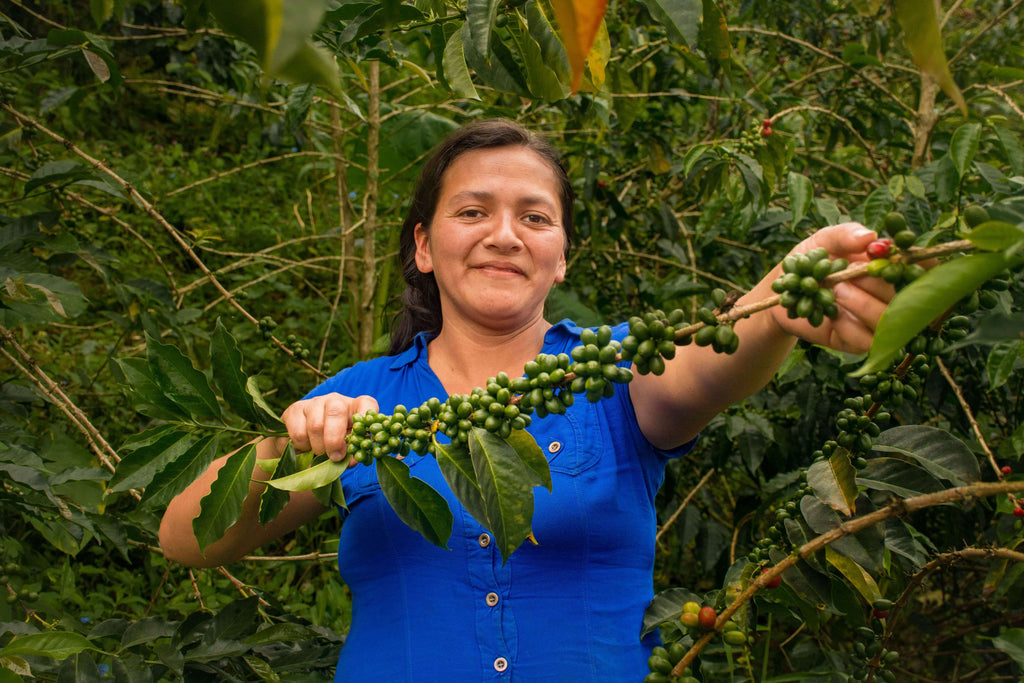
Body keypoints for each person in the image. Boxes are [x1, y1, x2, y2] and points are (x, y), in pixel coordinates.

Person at [159, 120, 893, 681]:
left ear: (562, 251)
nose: (504, 236)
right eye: (472, 212)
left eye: (535, 217)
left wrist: (780, 302)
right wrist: (293, 445)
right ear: (423, 245)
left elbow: (704, 369)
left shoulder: (610, 367)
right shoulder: (362, 398)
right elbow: (187, 540)